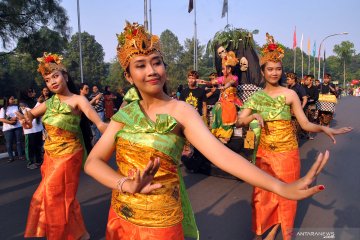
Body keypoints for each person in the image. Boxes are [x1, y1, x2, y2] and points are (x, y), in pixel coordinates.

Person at [84, 22, 334, 240]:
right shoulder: (123, 115)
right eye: (140, 65)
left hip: (160, 223)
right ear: (128, 76)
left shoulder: (180, 111)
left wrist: (279, 187)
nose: (151, 71)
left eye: (156, 62)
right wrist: (124, 184)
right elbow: (93, 162)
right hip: (120, 217)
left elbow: (223, 157)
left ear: (165, 67)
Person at [237, 33, 352, 240]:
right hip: (264, 153)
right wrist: (254, 115)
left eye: (278, 69)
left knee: (286, 195)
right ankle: (264, 228)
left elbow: (305, 123)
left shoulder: (289, 94)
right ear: (263, 72)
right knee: (262, 196)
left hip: (287, 153)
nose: (274, 73)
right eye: (270, 69)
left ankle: (274, 231)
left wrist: (325, 129)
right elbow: (239, 121)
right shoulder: (255, 97)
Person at [18, 52, 107, 239]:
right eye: (47, 80)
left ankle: (57, 235)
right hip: (50, 157)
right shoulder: (48, 103)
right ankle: (80, 233)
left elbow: (97, 122)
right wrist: (26, 120)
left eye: (55, 76)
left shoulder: (78, 100)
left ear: (65, 76)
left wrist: (108, 129)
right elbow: (31, 116)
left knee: (45, 196)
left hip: (69, 156)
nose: (52, 82)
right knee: (64, 197)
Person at [210, 51, 243, 143]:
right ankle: (217, 132)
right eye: (222, 69)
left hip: (232, 100)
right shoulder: (222, 78)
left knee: (229, 108)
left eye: (224, 69)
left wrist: (224, 86)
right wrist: (206, 82)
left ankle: (226, 134)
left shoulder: (235, 78)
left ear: (229, 69)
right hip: (223, 100)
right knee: (217, 107)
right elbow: (214, 81)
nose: (222, 71)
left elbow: (231, 83)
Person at [19, 102, 43, 169]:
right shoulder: (24, 108)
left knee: (38, 147)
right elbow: (22, 118)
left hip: (38, 130)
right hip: (29, 131)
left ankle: (39, 161)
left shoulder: (38, 105)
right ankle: (30, 163)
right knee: (30, 148)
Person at [0, 95, 25, 162]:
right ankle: (11, 157)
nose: (13, 100)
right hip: (7, 129)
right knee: (9, 143)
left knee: (19, 142)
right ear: (7, 100)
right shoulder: (3, 109)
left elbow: (21, 116)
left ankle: (20, 156)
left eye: (14, 99)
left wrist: (16, 118)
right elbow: (1, 119)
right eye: (12, 99)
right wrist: (10, 122)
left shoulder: (17, 107)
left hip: (18, 127)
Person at [304, 74, 319, 139]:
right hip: (304, 105)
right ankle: (303, 132)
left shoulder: (315, 88)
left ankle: (309, 134)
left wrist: (309, 99)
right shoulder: (302, 87)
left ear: (311, 81)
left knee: (310, 120)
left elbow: (316, 97)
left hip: (311, 105)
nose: (305, 81)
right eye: (305, 80)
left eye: (307, 80)